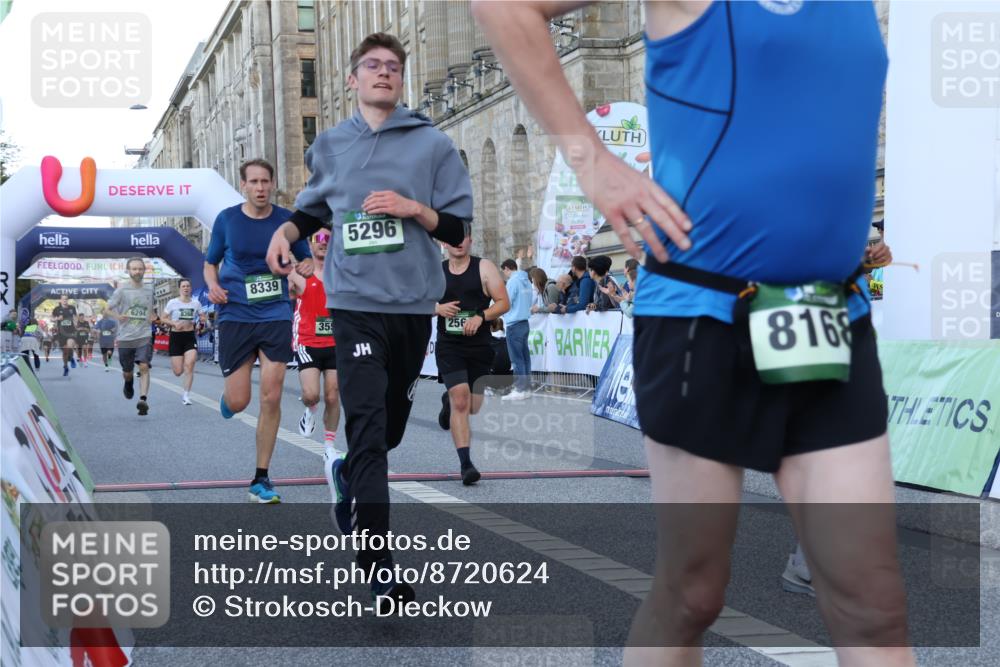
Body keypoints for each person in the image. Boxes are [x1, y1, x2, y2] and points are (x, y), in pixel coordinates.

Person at [474, 2, 911, 666]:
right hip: (700, 318)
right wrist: (593, 163)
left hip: (830, 317)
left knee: (872, 604)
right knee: (693, 591)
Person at [265, 31, 472, 608]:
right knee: (368, 430)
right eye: (372, 66)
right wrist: (283, 235)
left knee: (392, 428)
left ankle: (352, 482)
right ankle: (377, 560)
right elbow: (309, 210)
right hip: (353, 307)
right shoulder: (330, 146)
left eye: (393, 67)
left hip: (411, 308)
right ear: (352, 80)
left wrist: (414, 209)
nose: (383, 73)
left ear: (400, 81)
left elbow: (458, 231)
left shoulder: (432, 145)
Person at [204, 158, 311, 504]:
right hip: (235, 311)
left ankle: (261, 477)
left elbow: (304, 257)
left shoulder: (287, 221)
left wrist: (305, 266)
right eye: (254, 182)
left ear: (271, 184)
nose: (261, 187)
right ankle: (228, 399)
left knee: (272, 394)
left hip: (276, 312)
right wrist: (213, 287)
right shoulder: (227, 220)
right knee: (239, 400)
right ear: (244, 185)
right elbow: (210, 264)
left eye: (266, 181)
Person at [434, 229, 510, 484]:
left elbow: (503, 302)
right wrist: (437, 308)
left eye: (462, 237)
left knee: (473, 407)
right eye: (453, 238)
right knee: (462, 401)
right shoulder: (436, 270)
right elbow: (416, 301)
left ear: (469, 241)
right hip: (449, 346)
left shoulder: (484, 267)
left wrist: (481, 316)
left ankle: (448, 402)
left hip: (479, 347)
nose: (458, 242)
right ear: (444, 242)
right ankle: (466, 465)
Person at [288, 230, 342, 497]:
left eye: (328, 240)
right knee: (312, 394)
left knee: (333, 395)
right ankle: (309, 410)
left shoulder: (339, 272)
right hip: (308, 341)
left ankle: (329, 446)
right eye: (318, 240)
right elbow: (283, 297)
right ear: (310, 245)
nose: (323, 245)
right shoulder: (298, 273)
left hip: (335, 343)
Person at [106, 258, 156, 416]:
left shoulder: (149, 290)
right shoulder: (121, 291)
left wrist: (153, 317)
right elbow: (107, 310)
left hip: (144, 334)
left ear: (144, 270)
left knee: (144, 366)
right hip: (126, 337)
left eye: (140, 269)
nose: (137, 272)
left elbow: (150, 312)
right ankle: (128, 382)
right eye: (134, 269)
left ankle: (143, 400)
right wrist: (118, 316)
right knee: (127, 372)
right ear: (128, 271)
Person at [161, 278, 204, 405]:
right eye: (183, 286)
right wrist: (173, 323)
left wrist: (200, 320)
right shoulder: (172, 303)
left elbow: (202, 316)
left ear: (190, 288)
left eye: (188, 286)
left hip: (190, 336)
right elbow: (163, 318)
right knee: (178, 371)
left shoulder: (196, 303)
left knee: (190, 365)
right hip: (176, 337)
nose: (186, 288)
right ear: (180, 288)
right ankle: (178, 368)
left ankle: (186, 395)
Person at [500, 258, 532, 401]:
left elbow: (507, 301)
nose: (505, 275)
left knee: (517, 358)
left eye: (504, 272)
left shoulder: (513, 281)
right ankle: (525, 388)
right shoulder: (526, 280)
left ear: (507, 268)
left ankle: (520, 389)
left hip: (514, 322)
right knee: (525, 357)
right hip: (524, 321)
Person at [51, 295, 78, 377]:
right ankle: (66, 367)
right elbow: (51, 319)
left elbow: (75, 318)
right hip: (61, 333)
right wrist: (57, 319)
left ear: (68, 300)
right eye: (63, 299)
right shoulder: (57, 309)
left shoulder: (72, 308)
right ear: (61, 300)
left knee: (70, 347)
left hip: (71, 332)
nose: (65, 301)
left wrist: (76, 324)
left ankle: (71, 358)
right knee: (65, 352)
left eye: (66, 299)